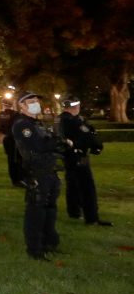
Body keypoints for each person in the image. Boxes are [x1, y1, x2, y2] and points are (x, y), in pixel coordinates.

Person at [11, 91, 64, 260]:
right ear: (22, 106)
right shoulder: (22, 124)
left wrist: (57, 143)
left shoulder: (37, 123)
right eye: (31, 101)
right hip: (37, 172)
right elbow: (40, 145)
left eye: (36, 101)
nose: (36, 104)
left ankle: (50, 242)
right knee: (36, 211)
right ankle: (35, 249)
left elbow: (51, 142)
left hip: (50, 170)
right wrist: (57, 142)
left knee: (50, 209)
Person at [57, 94, 111, 226]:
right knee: (87, 187)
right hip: (78, 156)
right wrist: (97, 146)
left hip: (68, 156)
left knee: (73, 184)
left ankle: (74, 212)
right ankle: (92, 218)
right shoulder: (74, 121)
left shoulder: (59, 119)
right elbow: (88, 135)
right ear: (75, 106)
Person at [0, 106, 24, 187]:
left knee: (11, 160)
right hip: (15, 139)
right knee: (18, 160)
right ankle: (19, 179)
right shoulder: (15, 114)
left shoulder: (1, 114)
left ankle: (14, 179)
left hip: (7, 139)